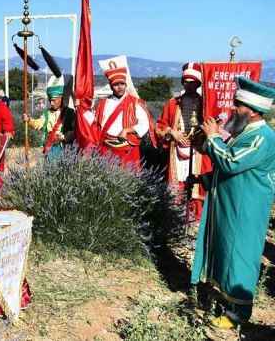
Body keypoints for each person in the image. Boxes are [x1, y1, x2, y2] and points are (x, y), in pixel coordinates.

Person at [191, 76, 275, 330]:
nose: (233, 109)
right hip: (229, 205)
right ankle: (222, 298)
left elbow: (231, 162)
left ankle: (238, 313)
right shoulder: (244, 131)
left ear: (251, 112)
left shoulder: (262, 137)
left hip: (245, 208)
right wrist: (204, 145)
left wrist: (214, 138)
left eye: (238, 106)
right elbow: (224, 160)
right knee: (226, 251)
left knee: (240, 256)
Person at [155, 62, 212, 223]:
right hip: (177, 150)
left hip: (198, 150)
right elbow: (160, 125)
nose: (190, 85)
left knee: (195, 182)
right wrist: (172, 132)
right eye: (187, 81)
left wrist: (200, 134)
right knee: (178, 180)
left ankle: (195, 217)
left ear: (198, 83)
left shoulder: (205, 104)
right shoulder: (173, 103)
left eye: (193, 82)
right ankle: (176, 216)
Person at [84, 62, 155, 168]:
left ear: (126, 84)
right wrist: (81, 108)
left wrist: (127, 130)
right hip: (106, 147)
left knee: (128, 179)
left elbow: (144, 124)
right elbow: (90, 120)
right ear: (111, 86)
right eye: (116, 85)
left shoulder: (135, 103)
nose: (119, 87)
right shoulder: (102, 104)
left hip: (127, 147)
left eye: (122, 84)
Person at [22, 75, 75, 159]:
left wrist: (63, 137)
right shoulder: (47, 113)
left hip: (65, 149)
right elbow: (38, 123)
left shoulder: (70, 113)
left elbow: (74, 131)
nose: (52, 103)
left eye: (54, 100)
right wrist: (29, 120)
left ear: (61, 98)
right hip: (50, 149)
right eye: (50, 100)